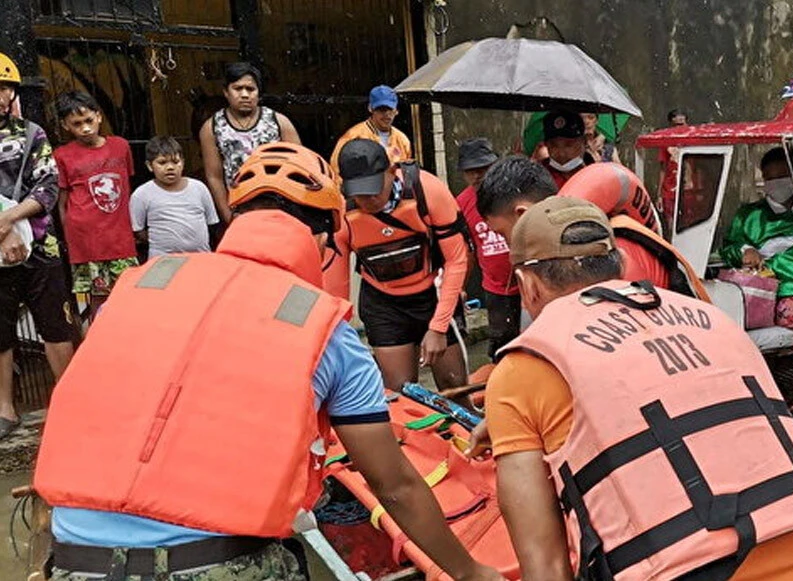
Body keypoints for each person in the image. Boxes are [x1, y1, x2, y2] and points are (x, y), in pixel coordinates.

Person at [33, 142, 503, 581]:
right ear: (325, 236)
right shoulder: (326, 330)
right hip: (215, 562)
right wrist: (469, 572)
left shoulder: (139, 286)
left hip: (74, 560)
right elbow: (395, 486)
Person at [482, 196, 793, 580]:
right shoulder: (716, 321)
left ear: (527, 285)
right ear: (620, 265)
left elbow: (545, 566)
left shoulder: (522, 369)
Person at [336, 138, 469, 390]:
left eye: (374, 188)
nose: (369, 199)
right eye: (360, 193)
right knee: (400, 391)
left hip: (432, 293)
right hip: (383, 302)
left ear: (391, 171)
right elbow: (336, 289)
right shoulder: (341, 212)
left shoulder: (428, 190)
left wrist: (439, 327)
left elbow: (457, 260)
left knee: (454, 384)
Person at [477, 156, 707, 300]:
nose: (508, 248)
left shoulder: (613, 256)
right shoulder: (591, 245)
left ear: (523, 215)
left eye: (503, 234)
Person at [0, 53, 76, 439]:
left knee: (55, 323)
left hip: (41, 245)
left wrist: (10, 218)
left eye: (6, 88)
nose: (2, 96)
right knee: (1, 330)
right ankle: (5, 407)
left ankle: (69, 400)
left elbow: (47, 186)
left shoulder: (32, 134)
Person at [720, 147, 793, 384]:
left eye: (782, 176)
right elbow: (729, 248)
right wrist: (746, 250)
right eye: (770, 178)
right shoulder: (750, 216)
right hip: (781, 295)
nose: (776, 183)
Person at [52, 90, 139, 318]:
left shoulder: (120, 146)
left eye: (89, 120)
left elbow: (127, 189)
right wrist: (71, 240)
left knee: (129, 294)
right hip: (86, 242)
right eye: (77, 124)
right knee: (97, 300)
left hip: (120, 239)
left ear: (99, 116)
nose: (85, 128)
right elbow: (62, 203)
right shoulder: (62, 156)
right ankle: (98, 338)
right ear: (65, 125)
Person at [199, 62, 301, 224]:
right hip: (240, 209)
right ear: (226, 92)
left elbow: (300, 167)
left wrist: (296, 211)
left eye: (250, 89)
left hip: (280, 207)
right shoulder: (212, 127)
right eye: (238, 89)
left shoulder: (279, 122)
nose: (245, 94)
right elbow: (214, 176)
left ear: (259, 93)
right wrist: (228, 216)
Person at [454, 137, 518, 361]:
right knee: (502, 347)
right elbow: (466, 249)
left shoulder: (515, 192)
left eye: (483, 168)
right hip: (495, 288)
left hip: (528, 281)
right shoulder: (461, 203)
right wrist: (459, 286)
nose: (477, 175)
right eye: (471, 170)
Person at [130, 136, 220, 257]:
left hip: (199, 258)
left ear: (183, 162)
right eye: (162, 162)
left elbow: (212, 223)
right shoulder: (142, 194)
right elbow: (138, 230)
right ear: (150, 165)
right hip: (162, 260)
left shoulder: (199, 188)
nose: (170, 167)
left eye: (175, 162)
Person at [331, 85, 413, 180]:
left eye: (390, 109)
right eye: (382, 109)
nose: (387, 114)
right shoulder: (354, 136)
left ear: (396, 111)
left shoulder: (402, 140)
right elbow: (336, 170)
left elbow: (407, 175)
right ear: (370, 108)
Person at [539, 110, 593, 188]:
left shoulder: (595, 175)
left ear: (584, 142)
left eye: (569, 145)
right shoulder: (538, 177)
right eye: (554, 145)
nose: (561, 153)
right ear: (546, 144)